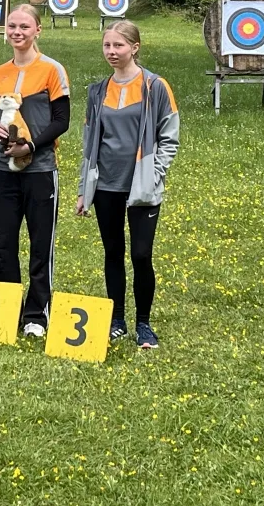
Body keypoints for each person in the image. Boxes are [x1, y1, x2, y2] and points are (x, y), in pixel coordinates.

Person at [75, 20, 179, 349]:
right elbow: (89, 142)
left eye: (118, 45)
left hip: (142, 189)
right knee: (113, 253)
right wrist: (84, 189)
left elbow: (169, 137)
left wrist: (154, 173)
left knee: (141, 254)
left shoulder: (155, 86)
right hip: (106, 186)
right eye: (107, 45)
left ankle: (143, 324)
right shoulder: (97, 91)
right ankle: (117, 320)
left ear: (134, 48)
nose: (111, 51)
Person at [0, 4, 70, 337]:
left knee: (40, 244)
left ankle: (36, 313)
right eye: (12, 26)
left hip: (40, 170)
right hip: (2, 169)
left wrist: (31, 146)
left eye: (24, 26)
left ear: (38, 30)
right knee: (3, 242)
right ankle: (5, 309)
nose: (17, 32)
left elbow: (61, 121)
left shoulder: (52, 69)